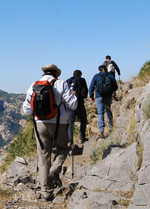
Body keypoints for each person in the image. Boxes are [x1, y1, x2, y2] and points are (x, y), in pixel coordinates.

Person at [22, 64, 78, 201]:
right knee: (64, 148)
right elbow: (73, 104)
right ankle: (54, 171)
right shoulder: (61, 83)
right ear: (56, 74)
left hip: (40, 124)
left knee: (43, 158)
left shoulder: (34, 85)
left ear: (44, 73)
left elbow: (27, 110)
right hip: (60, 123)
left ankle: (46, 192)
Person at [89, 65, 118, 138]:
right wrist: (110, 92)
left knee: (100, 113)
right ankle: (111, 127)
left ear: (99, 70)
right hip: (108, 96)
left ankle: (101, 130)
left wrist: (91, 96)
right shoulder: (110, 76)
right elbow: (116, 87)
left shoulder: (96, 76)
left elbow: (91, 87)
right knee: (108, 110)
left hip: (99, 96)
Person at [66, 70, 89, 144]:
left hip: (69, 104)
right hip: (79, 103)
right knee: (83, 120)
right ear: (80, 75)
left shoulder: (68, 81)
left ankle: (70, 140)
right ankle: (81, 138)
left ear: (73, 74)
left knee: (70, 122)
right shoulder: (81, 80)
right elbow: (85, 92)